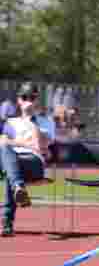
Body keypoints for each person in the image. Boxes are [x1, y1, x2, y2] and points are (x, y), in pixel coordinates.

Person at [1, 82, 56, 237]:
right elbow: (3, 142)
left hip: (34, 163)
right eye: (24, 97)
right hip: (12, 160)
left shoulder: (46, 121)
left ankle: (7, 222)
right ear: (19, 100)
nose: (28, 101)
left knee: (10, 168)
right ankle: (19, 188)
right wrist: (25, 143)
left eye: (32, 98)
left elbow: (42, 144)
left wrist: (31, 121)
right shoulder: (11, 122)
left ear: (37, 100)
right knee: (8, 159)